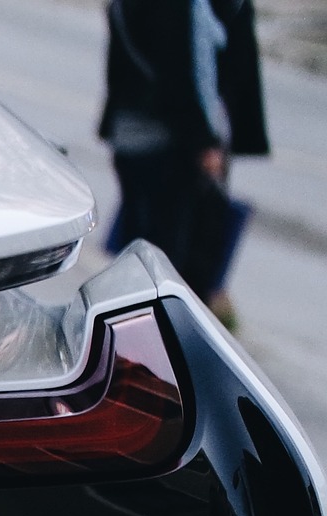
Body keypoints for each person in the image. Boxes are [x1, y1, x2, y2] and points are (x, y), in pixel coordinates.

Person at [100, 0, 269, 328]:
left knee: (140, 252)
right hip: (170, 142)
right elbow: (192, 70)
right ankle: (153, 334)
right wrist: (206, 142)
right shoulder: (187, 8)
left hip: (131, 133)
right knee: (167, 260)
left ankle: (127, 326)